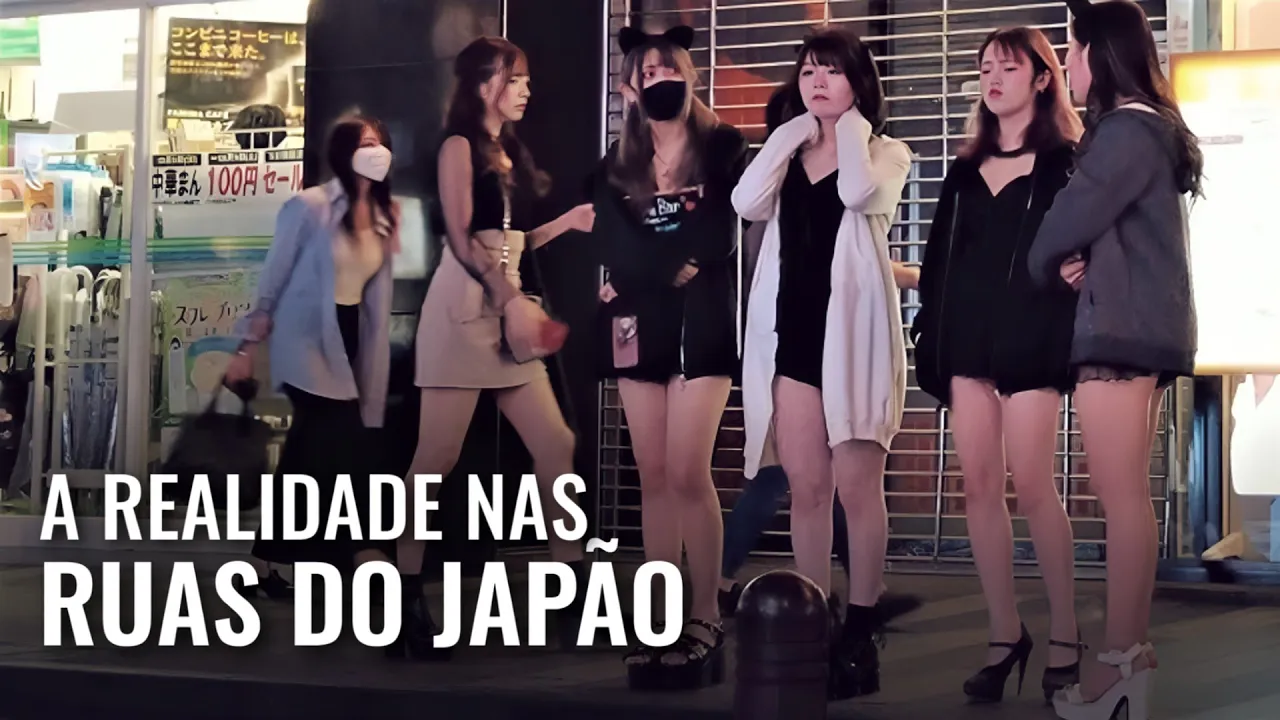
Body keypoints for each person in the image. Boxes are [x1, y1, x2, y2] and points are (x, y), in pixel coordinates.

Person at [1026, 2, 1202, 718]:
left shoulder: (1126, 131)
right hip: (1143, 324)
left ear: (1098, 54)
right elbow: (1107, 231)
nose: (1067, 65)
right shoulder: (1151, 129)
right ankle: (1126, 658)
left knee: (1120, 493)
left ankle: (1120, 658)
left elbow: (1066, 219)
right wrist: (1081, 260)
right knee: (1126, 492)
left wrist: (1051, 259)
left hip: (1122, 331)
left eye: (1071, 51)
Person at [732, 28, 911, 700]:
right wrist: (788, 135)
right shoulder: (789, 154)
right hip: (793, 339)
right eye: (808, 71)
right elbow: (744, 203)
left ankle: (861, 627)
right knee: (807, 489)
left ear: (858, 83)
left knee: (859, 489)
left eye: (832, 72)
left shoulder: (885, 151)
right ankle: (811, 623)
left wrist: (851, 128)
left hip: (854, 341)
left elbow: (860, 194)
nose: (817, 82)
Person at [407, 36, 596, 659]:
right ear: (485, 82)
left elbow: (509, 241)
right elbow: (462, 239)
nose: (526, 90)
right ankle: (404, 596)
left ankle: (572, 594)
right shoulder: (458, 145)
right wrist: (510, 298)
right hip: (465, 313)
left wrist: (567, 223)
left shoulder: (504, 148)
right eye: (516, 79)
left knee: (556, 443)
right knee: (435, 459)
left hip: (507, 313)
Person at [912, 27, 1085, 705]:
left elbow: (1093, 241)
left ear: (1042, 78)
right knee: (979, 486)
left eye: (1008, 67)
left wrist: (1082, 269)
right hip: (965, 340)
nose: (992, 78)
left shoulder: (1065, 163)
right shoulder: (963, 170)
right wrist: (930, 330)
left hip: (1032, 337)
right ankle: (1003, 633)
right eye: (985, 67)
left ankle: (1066, 634)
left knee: (1035, 485)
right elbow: (937, 262)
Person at [589, 24, 745, 691]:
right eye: (647, 73)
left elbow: (716, 237)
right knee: (651, 474)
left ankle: (705, 616)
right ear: (630, 86)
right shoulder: (617, 163)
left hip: (701, 324)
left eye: (669, 70)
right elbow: (611, 244)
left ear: (690, 75)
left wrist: (653, 263)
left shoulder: (722, 146)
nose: (659, 81)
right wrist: (654, 267)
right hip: (636, 322)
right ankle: (661, 618)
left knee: (686, 472)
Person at [226, 113, 399, 605]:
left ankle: (262, 561)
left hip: (349, 336)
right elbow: (274, 277)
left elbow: (376, 300)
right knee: (339, 441)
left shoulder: (384, 217)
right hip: (305, 335)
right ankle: (361, 554)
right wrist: (247, 345)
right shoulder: (309, 206)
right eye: (364, 143)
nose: (375, 152)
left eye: (379, 142)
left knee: (309, 450)